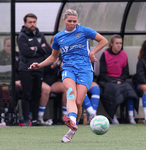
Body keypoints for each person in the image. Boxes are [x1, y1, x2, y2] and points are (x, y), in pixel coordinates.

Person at [28, 9, 108, 143]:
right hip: (68, 69)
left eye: (74, 21)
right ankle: (71, 120)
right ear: (64, 21)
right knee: (71, 95)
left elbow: (103, 41)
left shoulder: (84, 31)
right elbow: (54, 57)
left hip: (85, 70)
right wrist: (40, 65)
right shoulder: (59, 37)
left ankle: (72, 130)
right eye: (69, 21)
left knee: (78, 102)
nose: (72, 24)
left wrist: (92, 52)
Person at [17, 13, 52, 126]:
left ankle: (36, 119)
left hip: (38, 69)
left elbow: (47, 49)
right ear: (25, 23)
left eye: (34, 22)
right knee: (27, 94)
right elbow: (25, 51)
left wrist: (35, 49)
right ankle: (27, 119)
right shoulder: (22, 36)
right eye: (30, 22)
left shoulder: (39, 34)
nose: (32, 24)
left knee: (37, 94)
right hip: (26, 69)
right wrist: (39, 48)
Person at [98, 34, 139, 125]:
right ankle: (113, 116)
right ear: (111, 44)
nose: (119, 45)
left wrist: (120, 80)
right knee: (112, 90)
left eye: (120, 43)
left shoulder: (124, 55)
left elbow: (126, 72)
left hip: (121, 80)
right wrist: (113, 81)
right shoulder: (105, 54)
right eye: (116, 43)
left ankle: (131, 116)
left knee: (130, 90)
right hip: (108, 81)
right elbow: (103, 73)